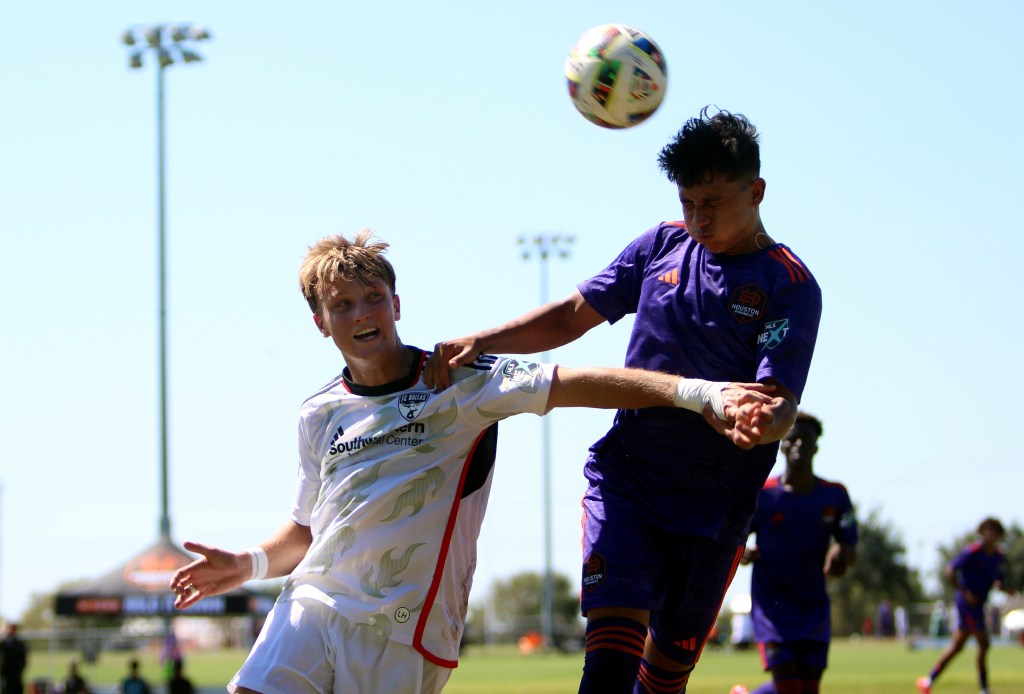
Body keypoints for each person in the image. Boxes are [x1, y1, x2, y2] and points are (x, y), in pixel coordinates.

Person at [169, 230, 772, 694]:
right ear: (319, 322)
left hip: (404, 631)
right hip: (312, 604)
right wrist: (247, 563)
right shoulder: (319, 413)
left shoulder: (460, 382)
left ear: (397, 304)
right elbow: (307, 529)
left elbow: (580, 382)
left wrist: (700, 394)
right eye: (342, 305)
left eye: (372, 298)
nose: (361, 315)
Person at [425, 107, 822, 693]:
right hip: (628, 482)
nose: (697, 218)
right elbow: (570, 316)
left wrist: (764, 423)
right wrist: (482, 340)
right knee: (608, 669)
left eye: (712, 202)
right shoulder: (662, 244)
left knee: (661, 684)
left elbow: (780, 402)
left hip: (716, 507)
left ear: (756, 191)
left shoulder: (787, 283)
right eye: (688, 202)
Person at [731, 412, 857, 694]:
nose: (800, 445)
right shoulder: (763, 494)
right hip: (771, 610)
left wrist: (840, 553)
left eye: (807, 440)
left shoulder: (835, 495)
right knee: (789, 687)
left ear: (817, 447)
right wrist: (742, 553)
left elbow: (850, 547)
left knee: (808, 688)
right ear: (782, 445)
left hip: (813, 607)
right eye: (793, 439)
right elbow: (733, 539)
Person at [917, 517, 1018, 694]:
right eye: (987, 530)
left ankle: (928, 681)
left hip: (980, 604)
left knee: (958, 647)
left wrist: (1004, 588)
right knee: (984, 643)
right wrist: (965, 592)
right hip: (967, 604)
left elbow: (998, 580)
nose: (991, 534)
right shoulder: (973, 551)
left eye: (994, 531)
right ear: (982, 533)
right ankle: (984, 689)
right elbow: (950, 570)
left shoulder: (998, 557)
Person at [0, 623, 27, 694]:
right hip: (6, 672)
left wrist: (21, 668)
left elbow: (23, 658)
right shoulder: (4, 643)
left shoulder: (19, 644)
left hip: (16, 672)